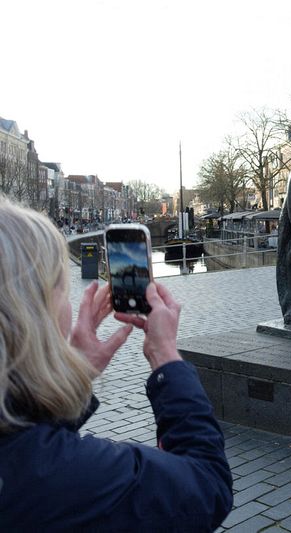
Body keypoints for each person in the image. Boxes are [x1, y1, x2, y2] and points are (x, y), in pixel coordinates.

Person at [0, 197, 233, 531]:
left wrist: (77, 372)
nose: (69, 305)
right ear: (31, 313)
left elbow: (30, 446)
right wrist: (166, 356)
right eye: (61, 289)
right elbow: (207, 486)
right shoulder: (83, 477)